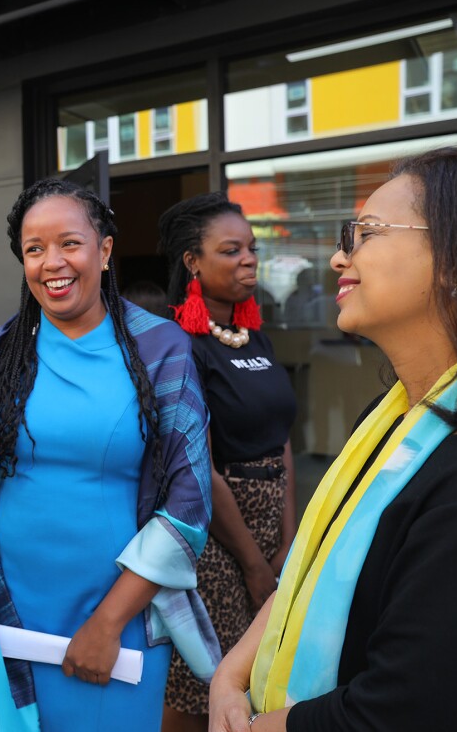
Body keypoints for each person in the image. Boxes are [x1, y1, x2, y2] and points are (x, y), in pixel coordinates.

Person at [0, 179, 220, 730]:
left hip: (116, 619)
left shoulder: (160, 349)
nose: (51, 262)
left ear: (104, 250)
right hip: (9, 610)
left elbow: (189, 505)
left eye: (69, 243)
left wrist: (107, 625)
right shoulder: (2, 350)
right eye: (34, 249)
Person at [209, 147, 457, 731]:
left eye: (364, 233)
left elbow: (406, 709)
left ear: (453, 258)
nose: (340, 256)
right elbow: (308, 576)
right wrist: (229, 676)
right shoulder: (390, 418)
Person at [156, 193, 296, 732]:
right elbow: (200, 467)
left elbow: (280, 438)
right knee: (207, 683)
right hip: (214, 536)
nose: (249, 260)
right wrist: (255, 564)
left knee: (260, 673)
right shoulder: (176, 343)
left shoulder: (252, 333)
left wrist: (286, 542)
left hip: (270, 523)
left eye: (252, 250)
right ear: (193, 261)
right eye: (231, 250)